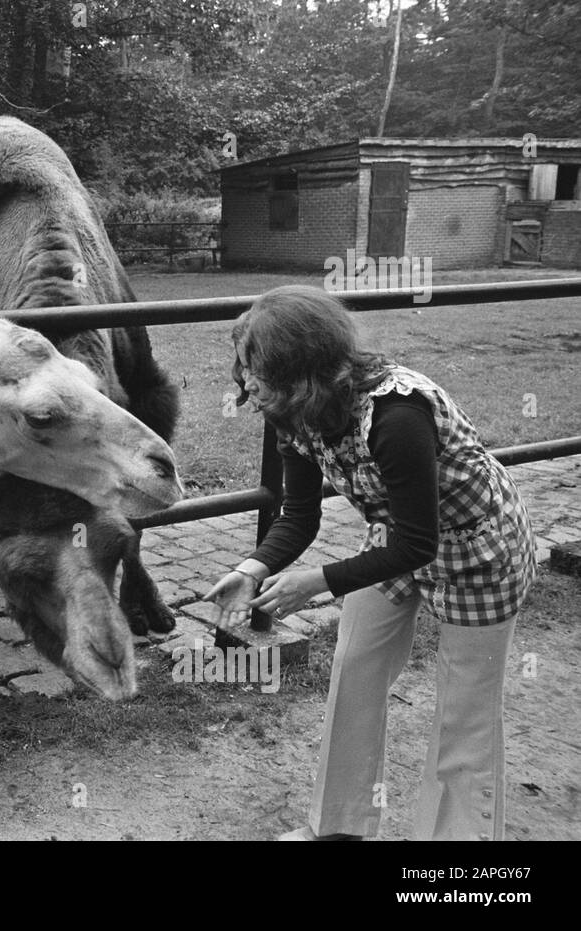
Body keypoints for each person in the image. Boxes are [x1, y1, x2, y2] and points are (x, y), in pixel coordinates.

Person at [203, 286, 537, 841]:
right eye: (244, 367)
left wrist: (317, 582)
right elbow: (300, 516)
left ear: (299, 369)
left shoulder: (397, 415)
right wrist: (252, 568)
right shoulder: (292, 409)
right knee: (355, 667)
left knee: (465, 714)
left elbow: (418, 545)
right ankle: (337, 827)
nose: (245, 383)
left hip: (480, 551)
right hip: (398, 537)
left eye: (255, 368)